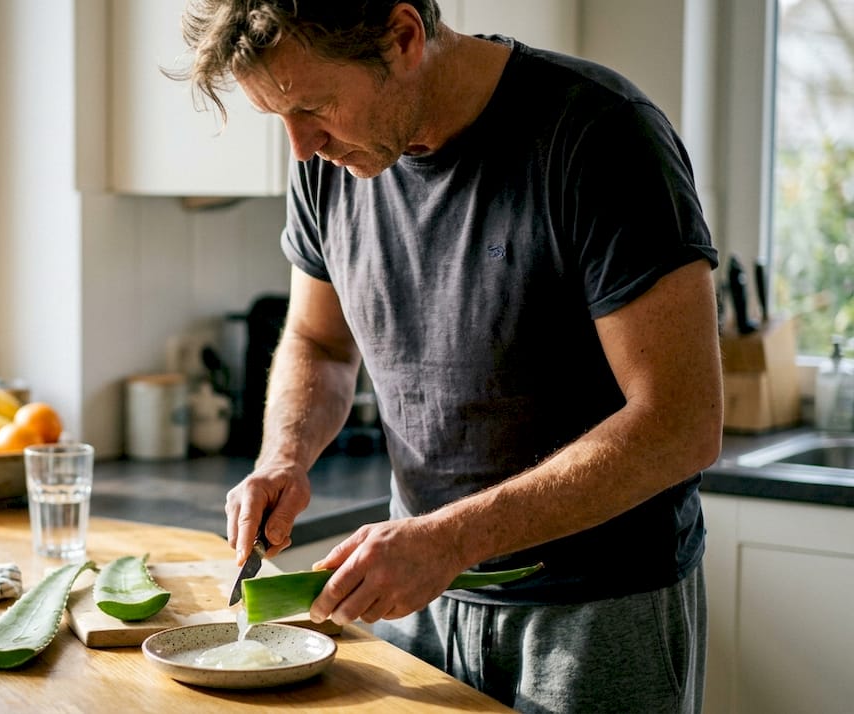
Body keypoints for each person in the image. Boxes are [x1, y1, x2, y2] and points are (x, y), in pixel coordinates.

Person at [172, 2, 723, 711]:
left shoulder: (601, 134)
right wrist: (284, 455)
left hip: (595, 608)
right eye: (277, 118)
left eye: (315, 107)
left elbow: (682, 421)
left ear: (403, 37)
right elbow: (320, 344)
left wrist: (449, 539)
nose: (301, 148)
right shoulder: (327, 166)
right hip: (415, 600)